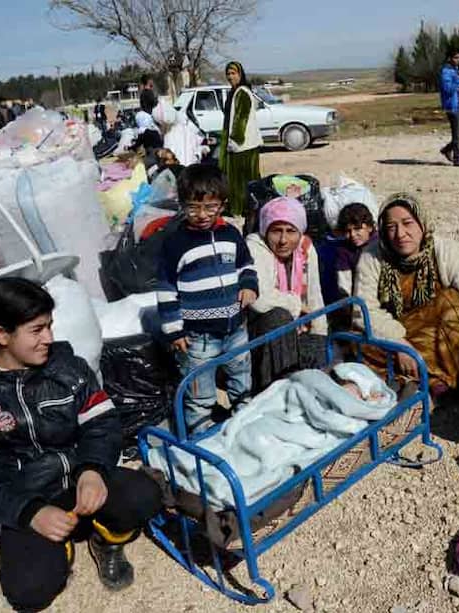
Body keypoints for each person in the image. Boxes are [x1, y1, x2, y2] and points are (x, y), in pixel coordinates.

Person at [0, 278, 162, 611]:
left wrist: (92, 470)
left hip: (78, 478)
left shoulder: (68, 368)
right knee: (29, 592)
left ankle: (105, 541)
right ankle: (63, 545)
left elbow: (102, 424)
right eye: (37, 330)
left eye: (50, 326)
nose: (49, 338)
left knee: (145, 496)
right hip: (29, 494)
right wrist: (29, 512)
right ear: (1, 334)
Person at [353, 194, 459, 402]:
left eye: (408, 223)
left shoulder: (445, 250)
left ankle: (446, 375)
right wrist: (399, 344)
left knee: (455, 304)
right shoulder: (372, 256)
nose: (400, 234)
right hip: (399, 332)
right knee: (359, 343)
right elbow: (362, 311)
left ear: (422, 223)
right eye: (391, 227)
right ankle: (442, 381)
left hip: (438, 332)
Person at [157, 164, 258, 431]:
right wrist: (174, 331)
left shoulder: (231, 235)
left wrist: (249, 286)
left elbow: (245, 265)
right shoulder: (175, 243)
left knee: (242, 383)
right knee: (200, 395)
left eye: (210, 207)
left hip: (236, 328)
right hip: (198, 337)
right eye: (193, 207)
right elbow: (167, 288)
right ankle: (202, 441)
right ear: (181, 205)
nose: (201, 215)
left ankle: (244, 429)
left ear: (222, 205)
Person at [246, 197, 327, 393]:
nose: (283, 240)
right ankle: (274, 392)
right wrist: (296, 305)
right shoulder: (255, 246)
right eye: (276, 231)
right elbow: (260, 300)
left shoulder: (305, 249)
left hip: (296, 326)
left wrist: (319, 334)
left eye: (291, 231)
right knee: (278, 317)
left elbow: (315, 296)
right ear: (265, 231)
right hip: (256, 331)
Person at [219, 61, 262, 220]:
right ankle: (248, 207)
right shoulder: (234, 92)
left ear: (240, 74)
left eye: (233, 73)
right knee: (244, 178)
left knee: (239, 180)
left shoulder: (242, 92)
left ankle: (241, 208)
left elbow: (241, 119)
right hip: (242, 144)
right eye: (228, 74)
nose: (230, 77)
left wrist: (235, 140)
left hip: (242, 145)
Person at [319, 202, 378, 306]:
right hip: (358, 298)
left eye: (357, 229)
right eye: (348, 231)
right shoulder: (345, 252)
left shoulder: (379, 244)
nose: (353, 235)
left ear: (369, 227)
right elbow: (344, 285)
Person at [439, 49, 459, 167]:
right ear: (449, 58)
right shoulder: (445, 72)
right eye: (455, 57)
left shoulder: (456, 71)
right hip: (452, 106)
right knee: (456, 134)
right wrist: (458, 78)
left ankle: (447, 149)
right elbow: (448, 89)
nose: (458, 60)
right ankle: (457, 158)